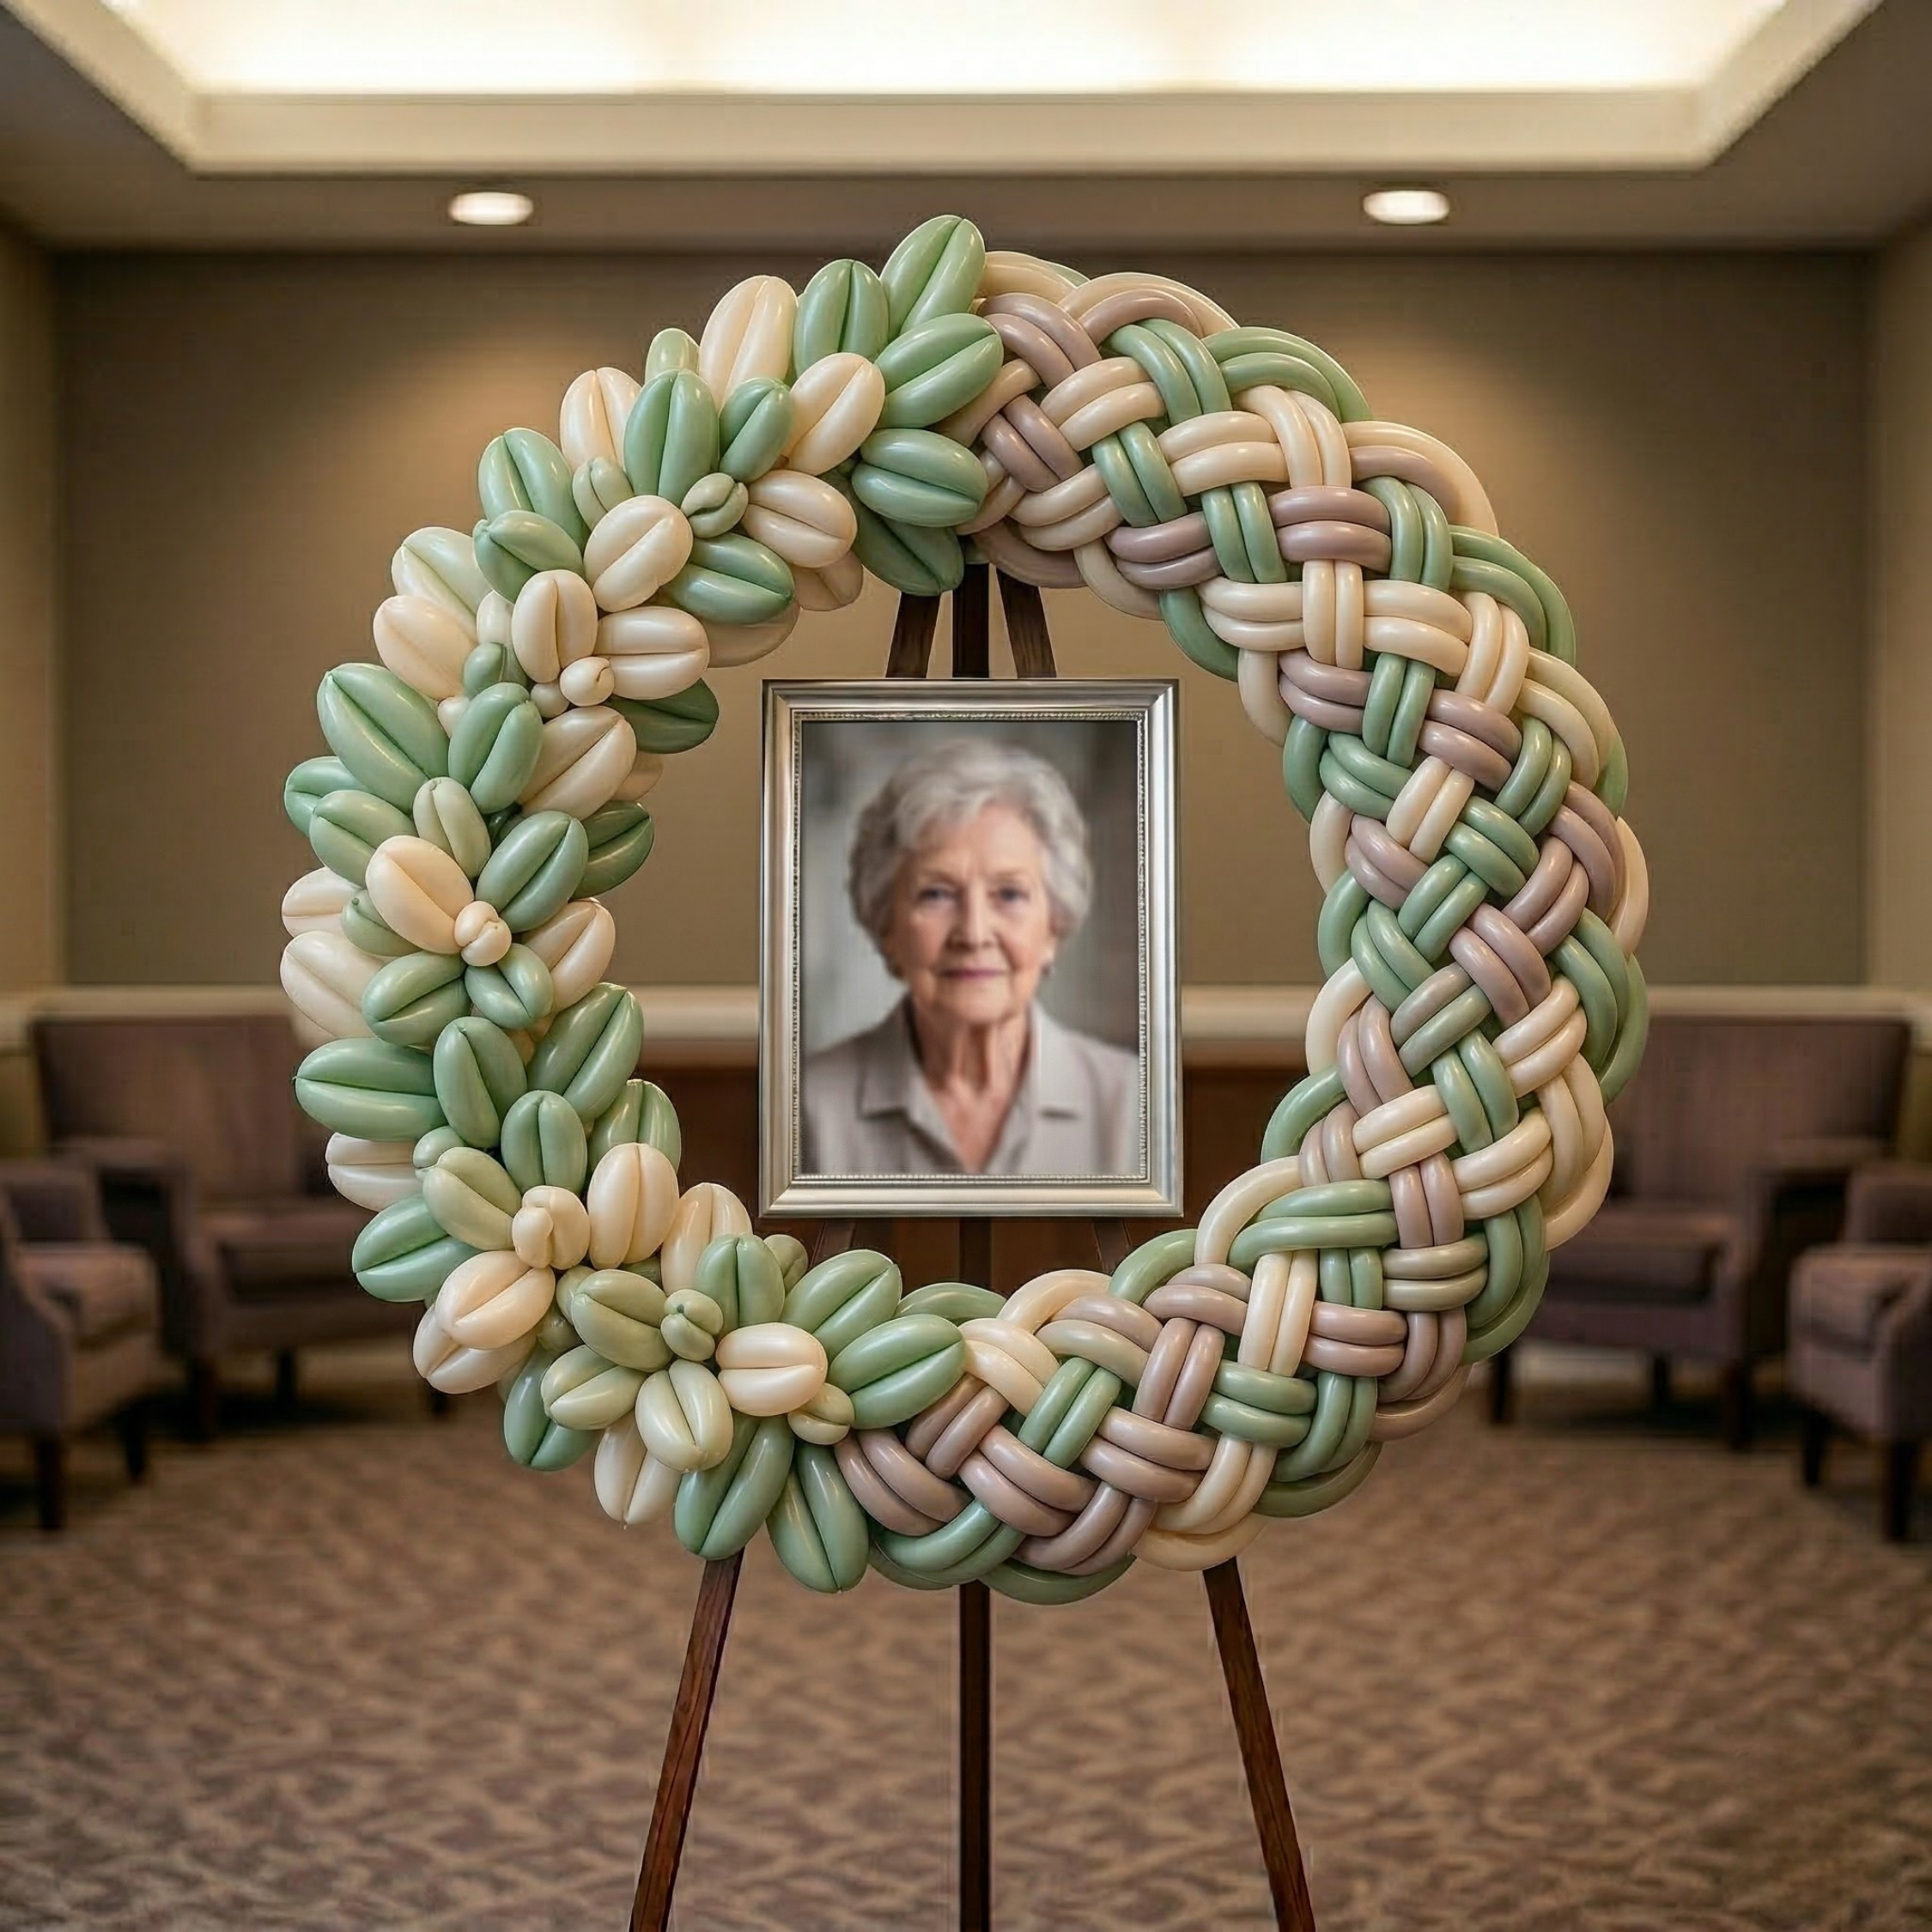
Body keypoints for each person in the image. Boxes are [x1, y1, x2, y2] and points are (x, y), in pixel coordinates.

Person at [802, 736, 1141, 1177]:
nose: (974, 933)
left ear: (1054, 927)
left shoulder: (1130, 1100)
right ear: (887, 926)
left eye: (1009, 894)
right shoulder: (812, 1105)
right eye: (937, 893)